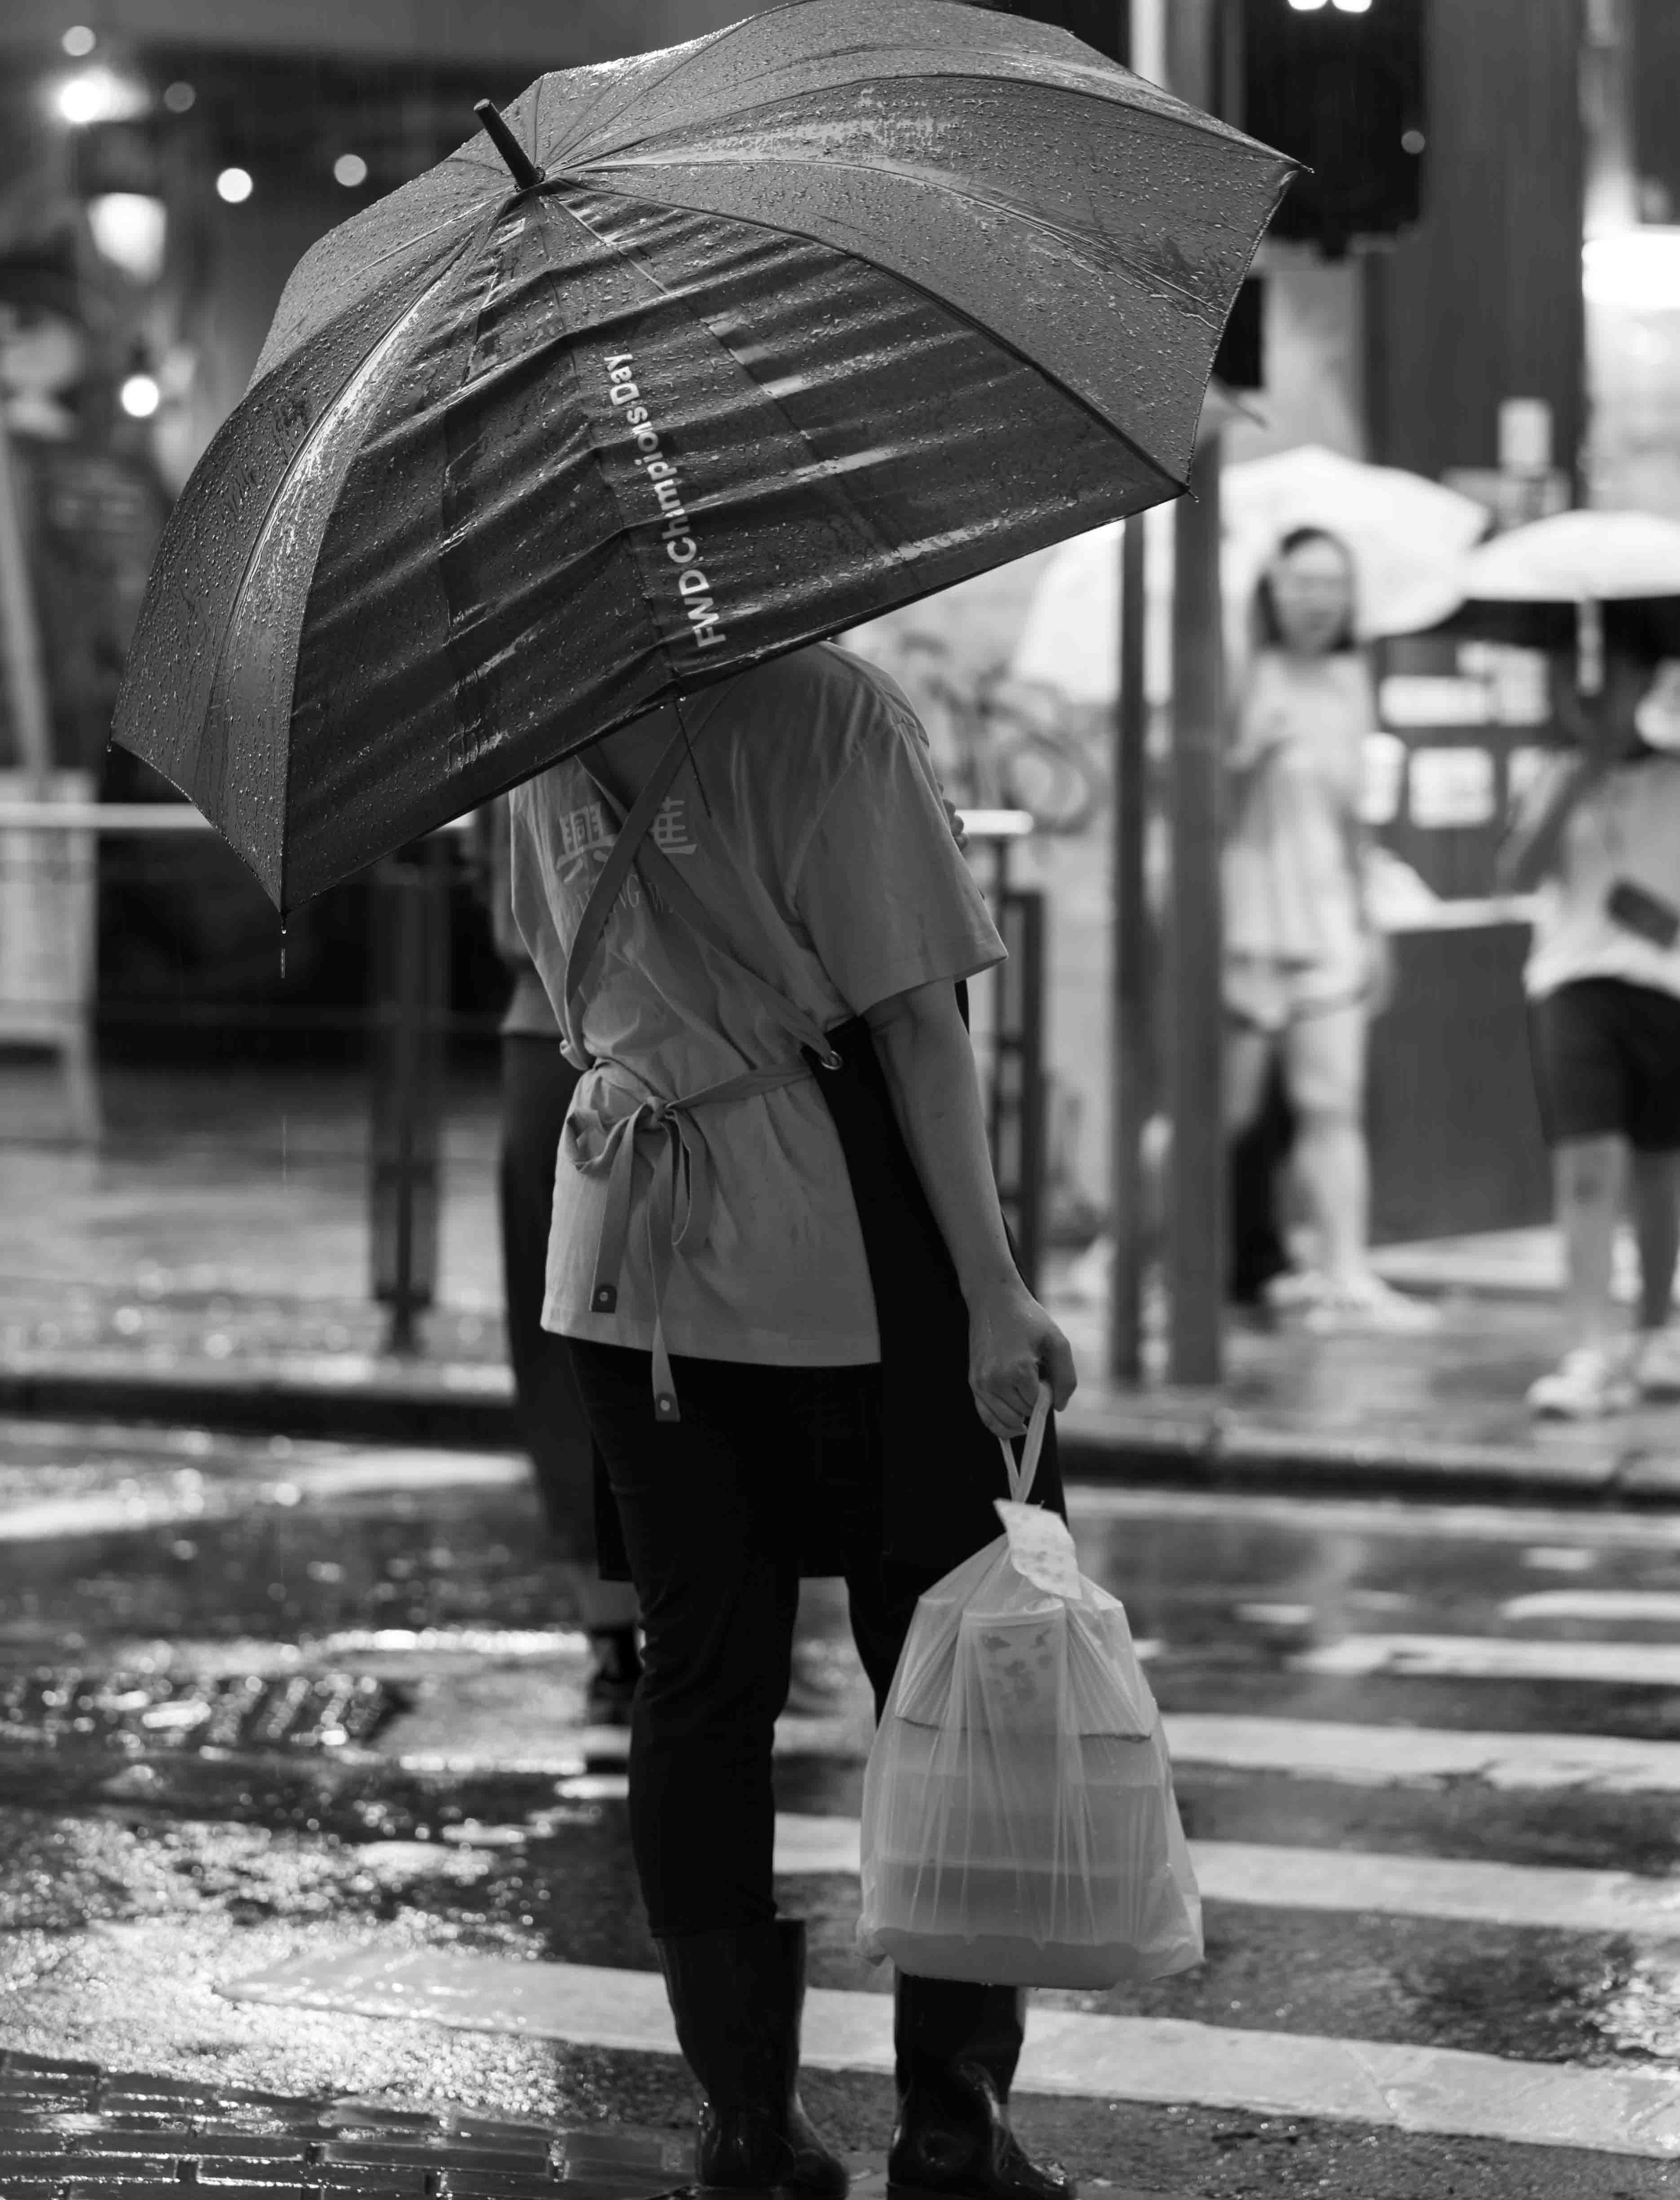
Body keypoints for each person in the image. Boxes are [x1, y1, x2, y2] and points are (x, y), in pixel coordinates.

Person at [509, 644, 1076, 2200]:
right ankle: (951, 2126)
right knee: (953, 1674)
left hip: (623, 1261)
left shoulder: (529, 723)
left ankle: (747, 2128)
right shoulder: (832, 711)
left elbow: (561, 984)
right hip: (846, 1245)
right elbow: (915, 1028)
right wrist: (995, 1287)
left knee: (700, 1682)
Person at [1500, 615, 1680, 1420]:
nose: (1593, 691)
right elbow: (1520, 871)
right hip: (1572, 985)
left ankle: (1657, 1330)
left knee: (1661, 1166)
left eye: (1613, 675)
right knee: (1587, 1165)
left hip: (1669, 990)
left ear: (1645, 679)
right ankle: (1589, 1347)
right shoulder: (1554, 771)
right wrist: (1583, 767)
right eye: (1577, 677)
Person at [1222, 527, 1432, 1332]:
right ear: (1271, 588)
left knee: (1333, 1102)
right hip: (1248, 916)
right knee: (1224, 1112)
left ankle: (1347, 1271)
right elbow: (1195, 797)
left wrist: (1371, 916)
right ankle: (1128, 1252)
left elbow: (1355, 822)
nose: (1317, 599)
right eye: (1301, 582)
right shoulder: (1243, 670)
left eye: (1332, 584)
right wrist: (1244, 755)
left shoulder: (1352, 678)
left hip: (1329, 913)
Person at [483, 812, 642, 1711]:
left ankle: (612, 1634)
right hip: (682, 1039)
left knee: (563, 1339)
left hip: (546, 1034)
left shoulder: (514, 726)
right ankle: (680, 1608)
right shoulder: (715, 710)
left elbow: (511, 914)